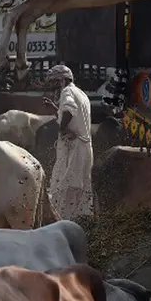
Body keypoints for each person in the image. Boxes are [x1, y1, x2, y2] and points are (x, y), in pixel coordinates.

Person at [43, 65, 94, 221]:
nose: (52, 87)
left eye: (54, 82)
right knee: (80, 191)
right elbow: (68, 111)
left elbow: (69, 111)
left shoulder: (67, 91)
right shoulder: (81, 94)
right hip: (84, 147)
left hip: (73, 148)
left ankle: (62, 226)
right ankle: (80, 225)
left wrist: (62, 129)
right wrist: (55, 108)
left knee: (64, 190)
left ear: (63, 80)